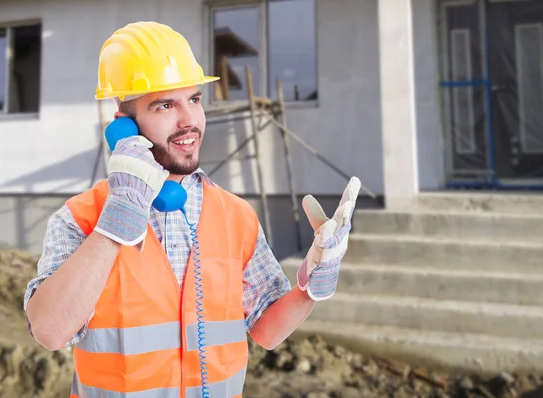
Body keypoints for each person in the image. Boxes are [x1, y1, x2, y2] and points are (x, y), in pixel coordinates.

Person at [23, 21, 361, 398]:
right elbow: (50, 331)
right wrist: (115, 223)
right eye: (165, 105)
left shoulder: (236, 216)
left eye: (194, 100)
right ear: (125, 126)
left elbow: (267, 330)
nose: (189, 121)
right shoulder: (81, 218)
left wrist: (311, 285)